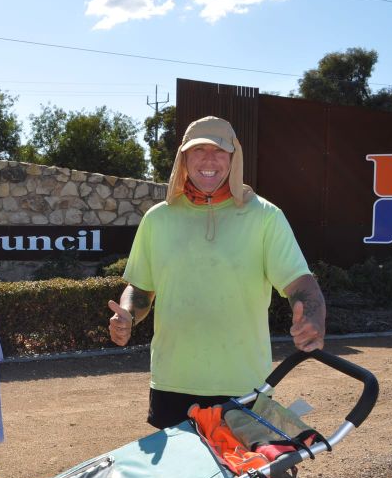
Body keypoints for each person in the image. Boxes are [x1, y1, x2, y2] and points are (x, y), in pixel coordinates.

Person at [108, 115, 326, 429]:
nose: (209, 159)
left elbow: (301, 284)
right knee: (179, 464)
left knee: (247, 463)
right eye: (199, 150)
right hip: (172, 383)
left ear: (233, 159)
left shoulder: (265, 216)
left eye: (219, 151)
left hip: (244, 385)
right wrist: (127, 315)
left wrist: (313, 317)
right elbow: (141, 289)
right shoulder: (157, 218)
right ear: (184, 158)